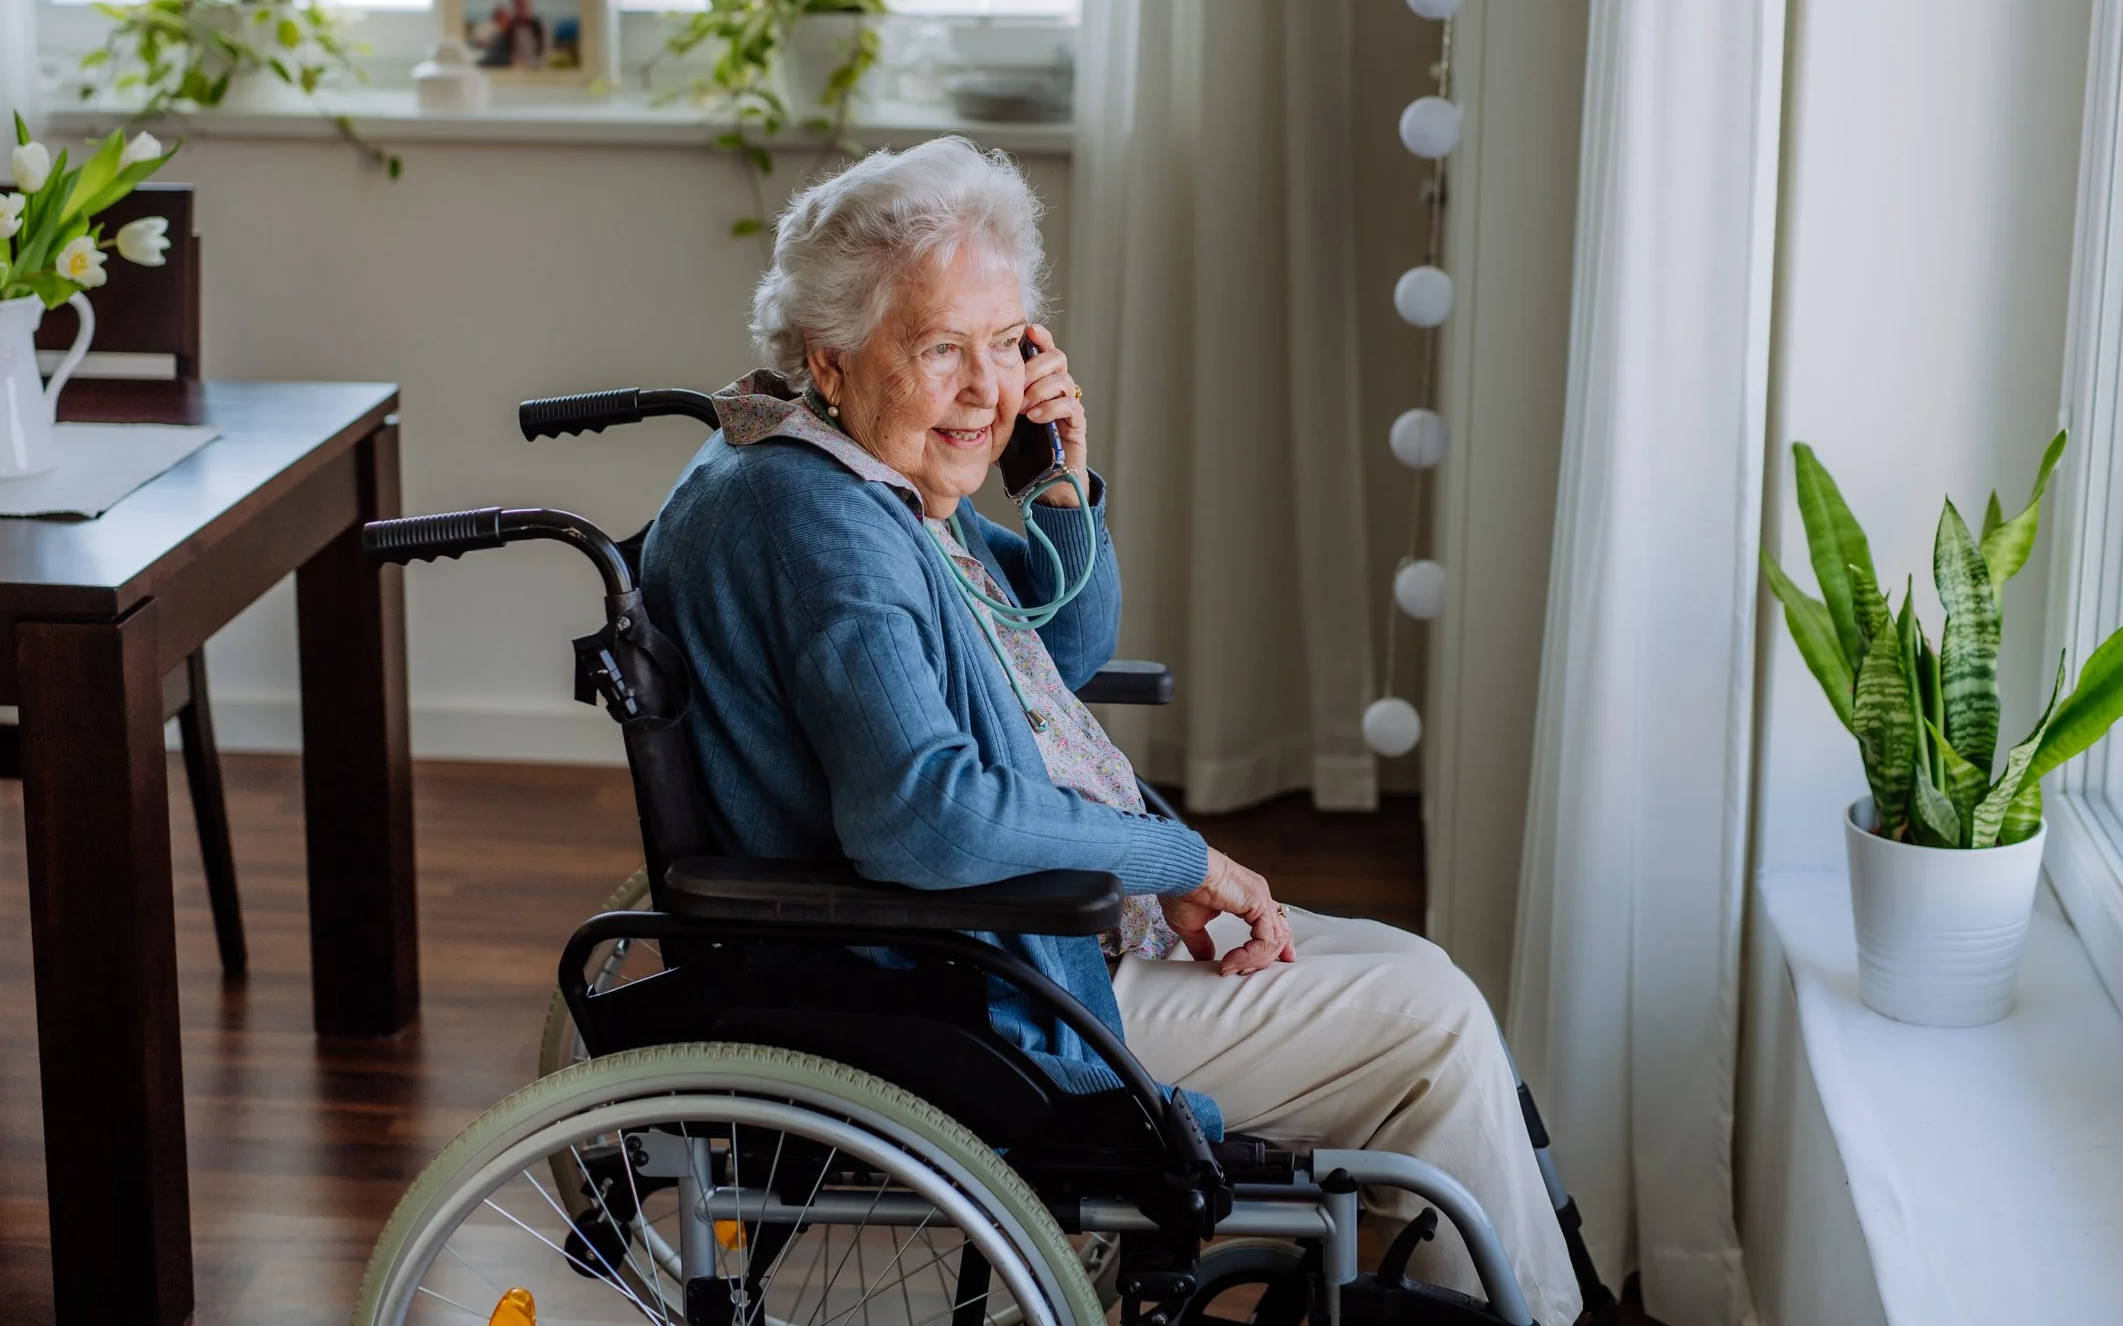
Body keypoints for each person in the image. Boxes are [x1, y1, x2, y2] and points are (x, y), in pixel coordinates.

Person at [642, 136, 1579, 1324]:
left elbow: (1051, 655)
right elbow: (923, 814)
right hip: (970, 972)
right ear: (829, 358)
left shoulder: (850, 475)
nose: (989, 390)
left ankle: (1431, 1303)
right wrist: (1175, 856)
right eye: (942, 348)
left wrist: (1057, 484)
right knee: (1434, 1025)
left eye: (1010, 343)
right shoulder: (823, 518)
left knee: (1419, 981)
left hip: (1017, 930)